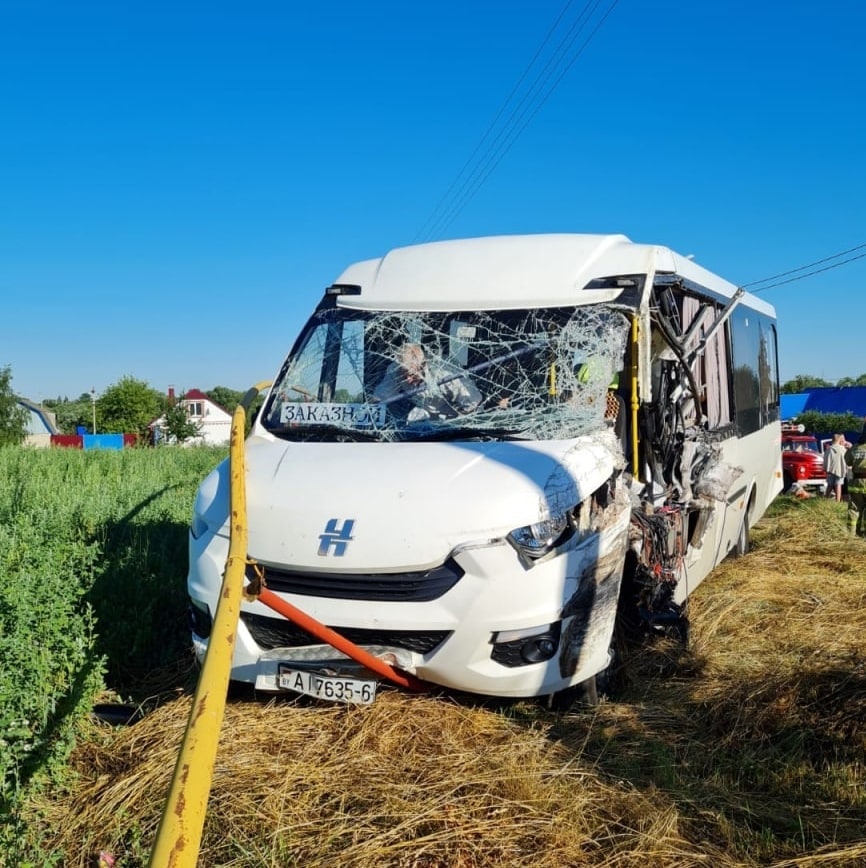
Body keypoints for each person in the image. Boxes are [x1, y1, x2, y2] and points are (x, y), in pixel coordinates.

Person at [373, 342, 482, 422]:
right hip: (423, 419)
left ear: (423, 365)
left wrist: (457, 423)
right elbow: (381, 395)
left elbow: (473, 402)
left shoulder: (445, 372)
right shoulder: (395, 369)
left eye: (412, 375)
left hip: (454, 420)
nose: (408, 380)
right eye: (403, 374)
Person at [844, 424, 866, 537]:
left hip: (856, 483)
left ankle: (851, 537)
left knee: (854, 510)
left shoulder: (855, 447)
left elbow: (847, 461)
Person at [823, 432, 849, 502]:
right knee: (838, 485)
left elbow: (825, 460)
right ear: (840, 439)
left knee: (830, 485)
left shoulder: (828, 449)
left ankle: (825, 499)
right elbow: (846, 460)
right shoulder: (843, 449)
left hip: (830, 471)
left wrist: (825, 468)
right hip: (840, 471)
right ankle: (837, 501)